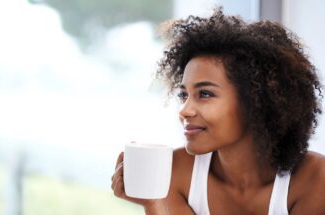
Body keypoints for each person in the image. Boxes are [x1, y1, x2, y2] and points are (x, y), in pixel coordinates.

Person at [111, 8, 325, 215]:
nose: (184, 111)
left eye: (204, 94)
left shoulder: (315, 178)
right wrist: (152, 204)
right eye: (183, 95)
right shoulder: (177, 172)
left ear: (255, 100)